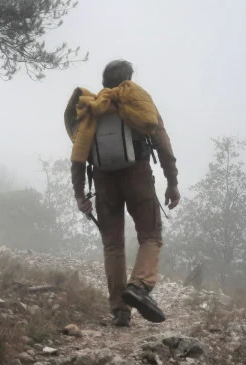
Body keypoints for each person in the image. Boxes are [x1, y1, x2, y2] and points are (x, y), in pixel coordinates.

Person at [64, 60, 180, 327]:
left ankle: (120, 310)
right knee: (150, 235)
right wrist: (172, 182)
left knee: (113, 244)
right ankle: (139, 286)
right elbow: (162, 143)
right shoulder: (139, 105)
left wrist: (80, 194)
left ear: (104, 82)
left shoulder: (93, 108)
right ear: (128, 79)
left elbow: (78, 155)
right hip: (137, 175)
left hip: (104, 181)